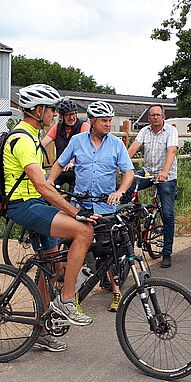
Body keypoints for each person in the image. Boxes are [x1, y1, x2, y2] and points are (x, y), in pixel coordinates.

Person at [5, 83, 99, 352]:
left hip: (33, 202)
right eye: (51, 110)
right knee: (82, 230)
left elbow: (46, 183)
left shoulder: (32, 135)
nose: (55, 115)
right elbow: (42, 185)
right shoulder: (23, 139)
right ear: (38, 110)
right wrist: (74, 211)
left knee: (50, 266)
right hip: (24, 205)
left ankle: (42, 327)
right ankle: (67, 300)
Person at [49, 100, 134, 312]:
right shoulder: (77, 141)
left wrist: (120, 191)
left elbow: (128, 172)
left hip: (105, 208)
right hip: (80, 206)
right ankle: (68, 294)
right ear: (92, 121)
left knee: (108, 251)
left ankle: (115, 290)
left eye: (110, 120)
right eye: (104, 121)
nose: (108, 124)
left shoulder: (116, 144)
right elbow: (60, 163)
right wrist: (50, 182)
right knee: (72, 248)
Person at [126, 104, 179, 268]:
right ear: (148, 118)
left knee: (168, 214)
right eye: (152, 115)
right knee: (125, 189)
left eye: (158, 114)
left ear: (163, 116)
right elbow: (133, 148)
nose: (155, 117)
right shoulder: (145, 131)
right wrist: (122, 164)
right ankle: (131, 220)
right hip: (148, 172)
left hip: (166, 176)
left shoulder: (171, 131)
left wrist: (164, 172)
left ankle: (166, 252)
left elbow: (171, 152)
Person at [40, 98, 88, 190]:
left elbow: (82, 148)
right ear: (61, 117)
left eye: (74, 114)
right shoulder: (57, 127)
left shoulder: (83, 126)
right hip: (59, 170)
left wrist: (70, 162)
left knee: (76, 197)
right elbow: (43, 143)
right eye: (68, 115)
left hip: (78, 171)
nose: (72, 117)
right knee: (44, 185)